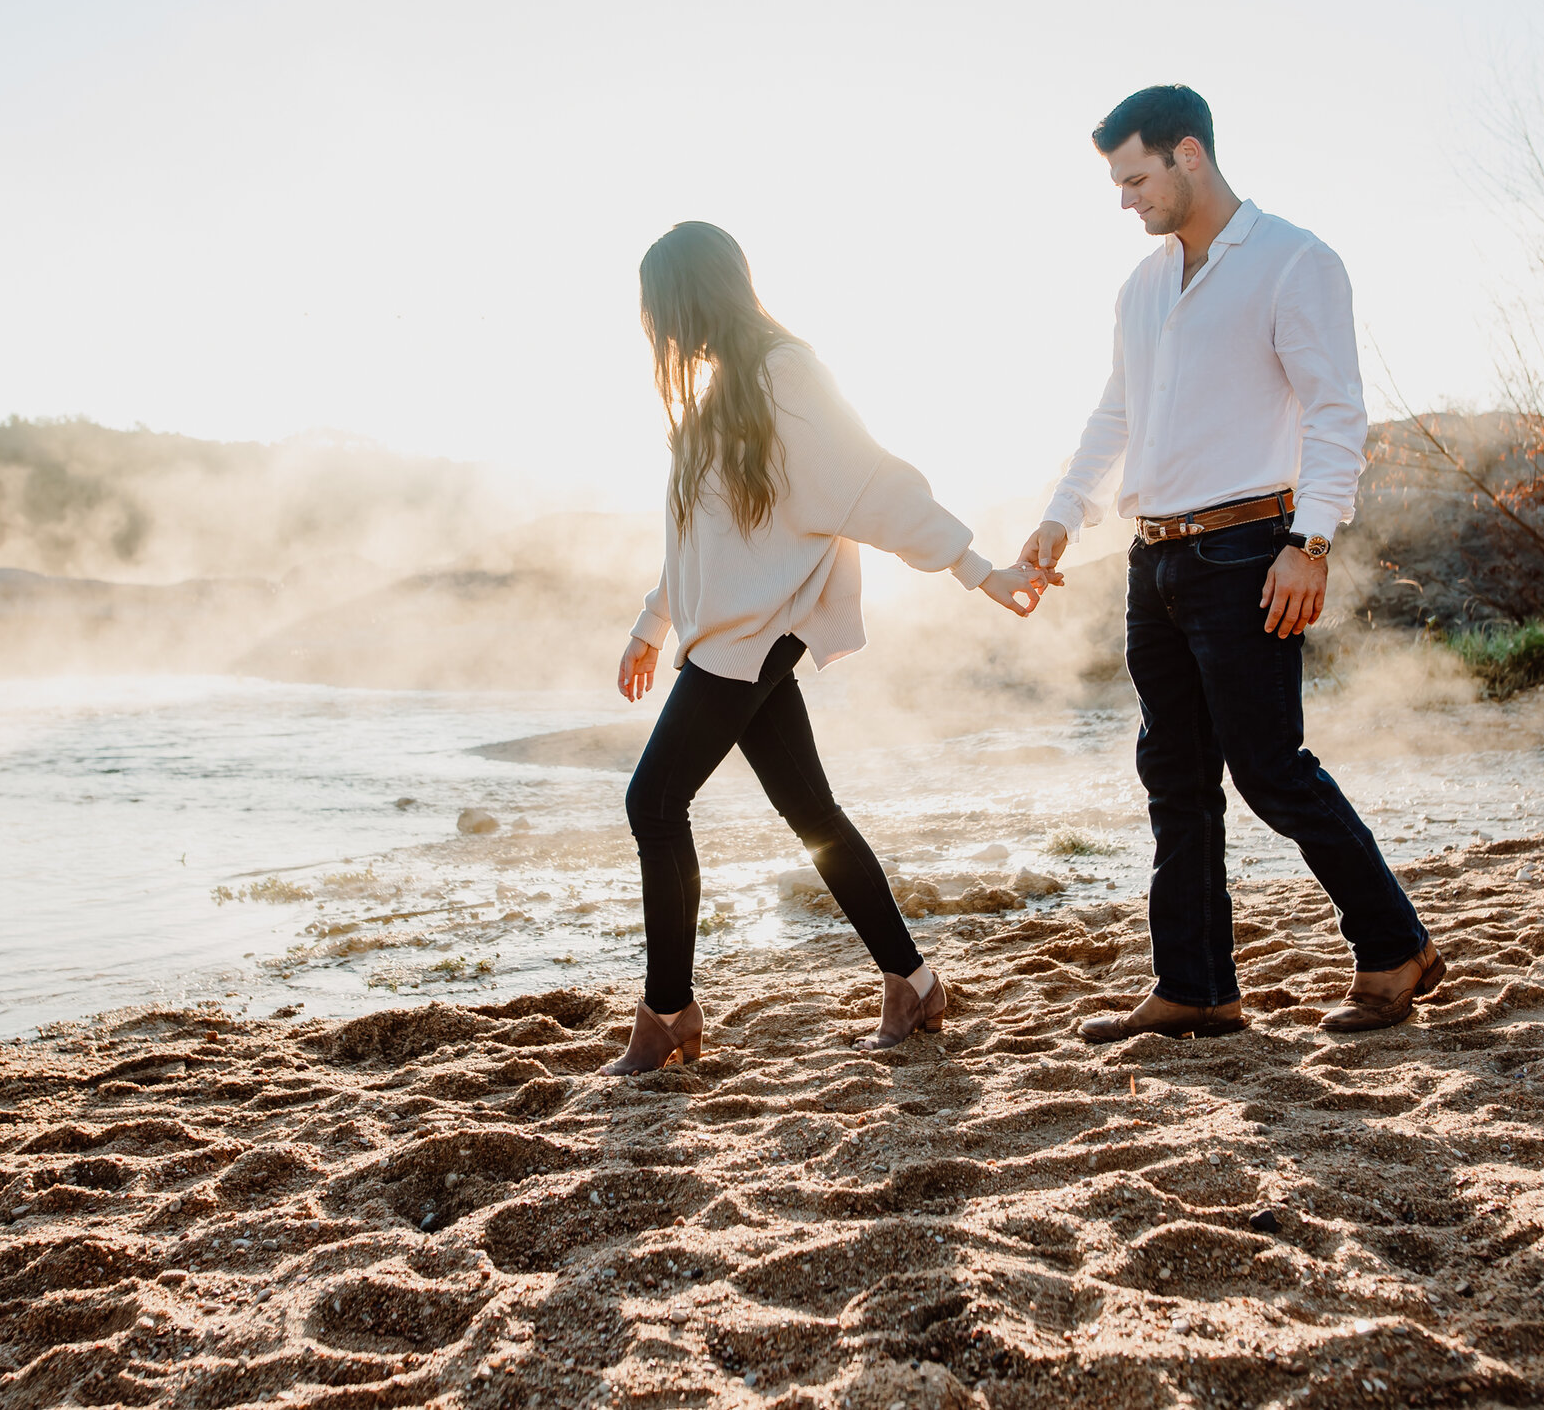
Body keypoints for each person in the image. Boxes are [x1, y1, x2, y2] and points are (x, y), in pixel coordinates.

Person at [1019, 85, 1446, 1040]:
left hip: (1252, 550)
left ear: (1190, 156)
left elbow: (1337, 414)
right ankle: (1197, 988)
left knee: (1269, 768)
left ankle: (1395, 947)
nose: (1125, 199)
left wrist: (1312, 544)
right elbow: (1115, 417)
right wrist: (1058, 517)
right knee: (1172, 775)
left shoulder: (1294, 261)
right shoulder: (1140, 287)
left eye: (1136, 178)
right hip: (1154, 558)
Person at [605, 221, 1047, 1077]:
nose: (656, 327)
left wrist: (974, 565)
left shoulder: (784, 373)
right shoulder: (724, 391)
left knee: (652, 804)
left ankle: (667, 1011)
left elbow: (872, 481)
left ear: (696, 295)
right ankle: (913, 979)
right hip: (730, 636)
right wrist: (650, 623)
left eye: (660, 307)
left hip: (753, 637)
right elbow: (700, 538)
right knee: (812, 814)